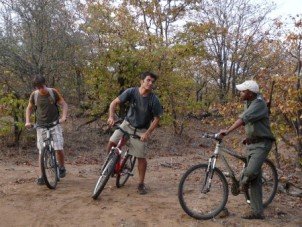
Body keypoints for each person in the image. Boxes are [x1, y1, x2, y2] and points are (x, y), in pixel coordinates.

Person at [219, 80, 275, 220]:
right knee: (255, 178)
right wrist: (248, 137)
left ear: (250, 93)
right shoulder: (249, 102)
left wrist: (228, 131)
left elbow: (244, 119)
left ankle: (242, 185)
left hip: (262, 144)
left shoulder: (259, 103)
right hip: (252, 143)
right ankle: (257, 212)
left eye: (243, 91)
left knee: (249, 173)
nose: (241, 93)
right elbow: (253, 123)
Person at [107, 71, 163, 195]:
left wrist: (147, 133)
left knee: (141, 157)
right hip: (127, 124)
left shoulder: (154, 99)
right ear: (141, 81)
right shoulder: (131, 91)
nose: (150, 83)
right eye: (148, 80)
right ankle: (112, 164)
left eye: (152, 82)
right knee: (111, 142)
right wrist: (111, 117)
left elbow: (157, 118)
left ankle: (141, 183)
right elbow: (113, 103)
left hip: (141, 130)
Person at [25, 75, 68, 185]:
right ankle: (42, 175)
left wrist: (63, 117)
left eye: (42, 86)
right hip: (41, 125)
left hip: (54, 124)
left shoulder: (53, 92)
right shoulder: (34, 95)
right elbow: (29, 108)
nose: (41, 89)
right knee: (41, 151)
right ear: (36, 88)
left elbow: (63, 104)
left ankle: (62, 167)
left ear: (45, 84)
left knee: (58, 147)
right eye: (38, 87)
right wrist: (28, 121)